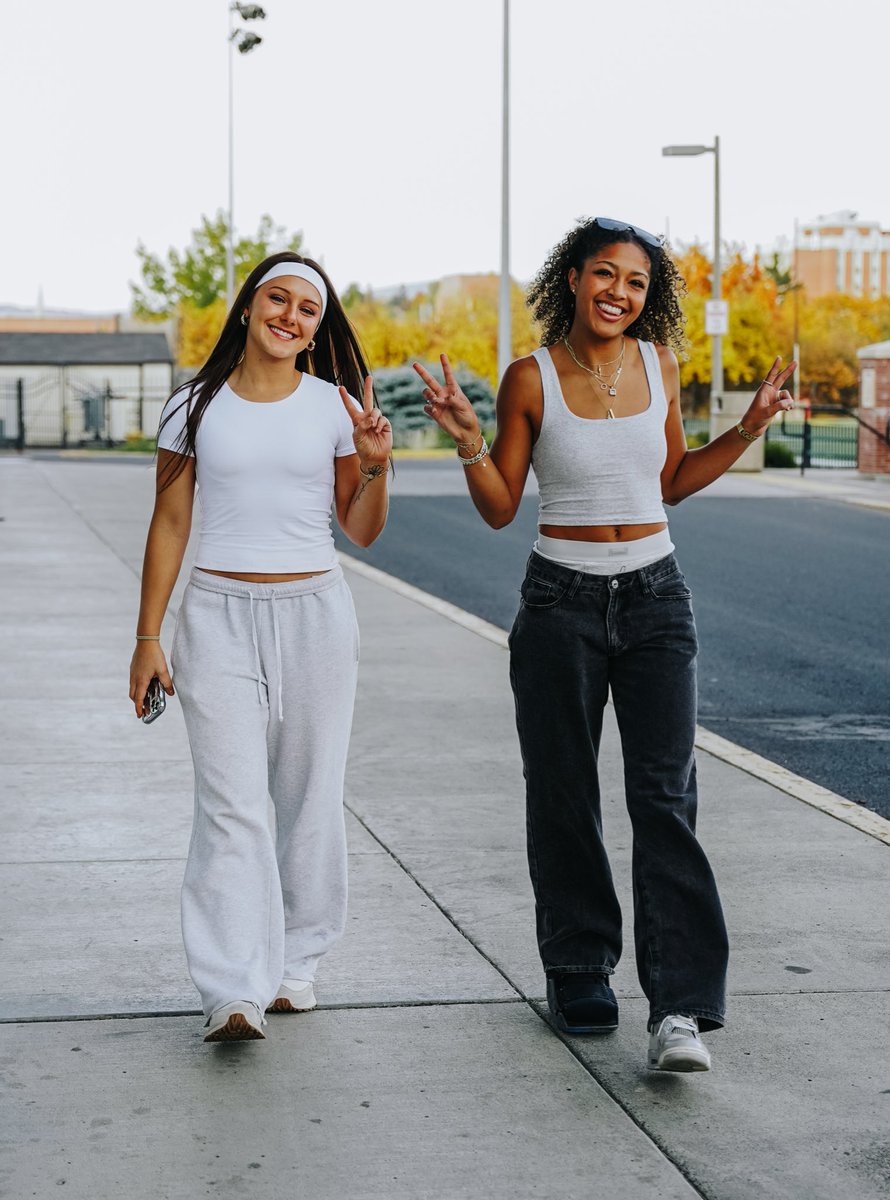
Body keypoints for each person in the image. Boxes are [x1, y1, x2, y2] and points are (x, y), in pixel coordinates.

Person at [414, 216, 795, 1073]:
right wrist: (467, 435)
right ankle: (580, 968)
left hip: (657, 599)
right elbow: (499, 504)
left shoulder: (659, 364)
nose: (619, 293)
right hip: (560, 603)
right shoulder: (531, 378)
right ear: (573, 280)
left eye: (635, 281)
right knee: (564, 794)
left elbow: (669, 484)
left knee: (665, 798)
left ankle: (681, 1010)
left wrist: (748, 428)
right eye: (604, 275)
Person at [129, 252, 391, 1043]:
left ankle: (295, 965)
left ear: (316, 331)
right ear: (248, 307)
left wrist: (376, 466)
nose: (291, 316)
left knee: (309, 794)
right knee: (230, 803)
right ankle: (231, 989)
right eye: (278, 299)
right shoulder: (193, 406)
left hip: (314, 612)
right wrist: (148, 635)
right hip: (215, 617)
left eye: (308, 309)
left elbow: (364, 529)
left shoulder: (334, 407)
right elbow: (170, 522)